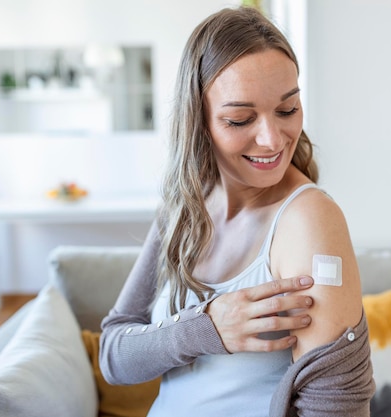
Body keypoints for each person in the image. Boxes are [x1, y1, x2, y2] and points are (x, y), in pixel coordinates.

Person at [100, 6, 374, 416]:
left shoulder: (308, 220)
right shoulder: (183, 209)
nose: (271, 139)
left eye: (287, 110)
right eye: (240, 119)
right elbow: (113, 355)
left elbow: (337, 408)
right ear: (200, 122)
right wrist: (207, 328)